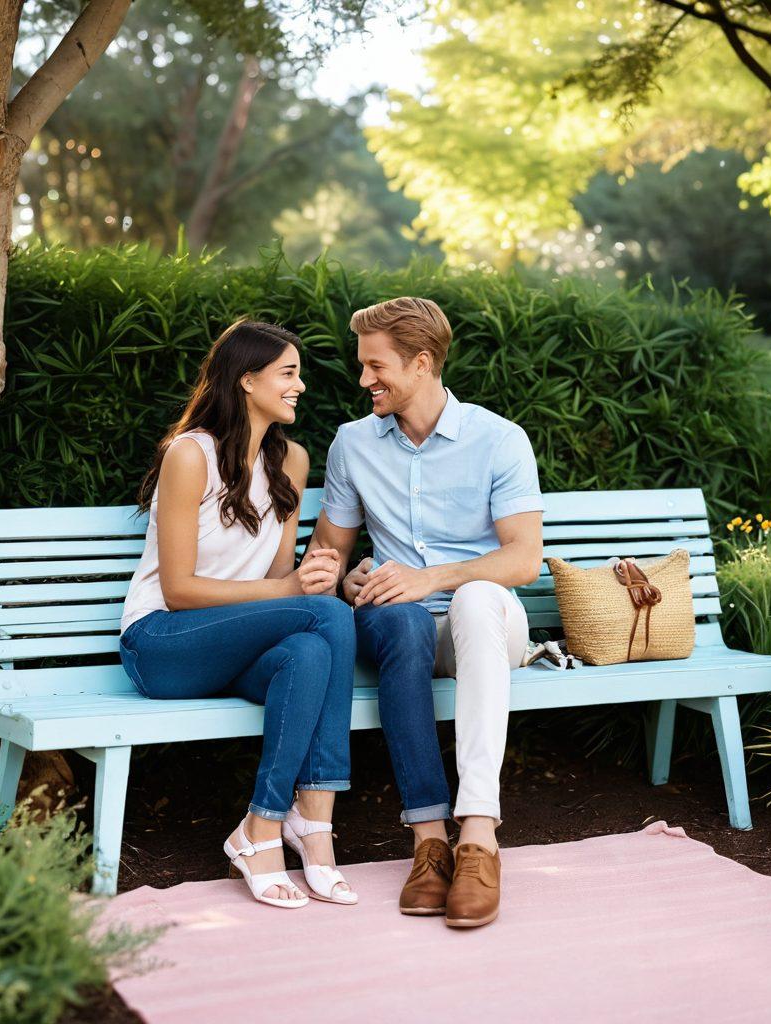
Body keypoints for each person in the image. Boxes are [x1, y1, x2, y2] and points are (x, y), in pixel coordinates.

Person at [306, 297, 544, 928]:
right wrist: (343, 578)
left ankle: (479, 837)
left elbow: (522, 561)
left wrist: (432, 577)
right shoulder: (352, 445)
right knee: (404, 620)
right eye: (362, 367)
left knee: (474, 597)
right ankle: (430, 843)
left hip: (487, 625)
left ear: (421, 362)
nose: (363, 381)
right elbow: (326, 553)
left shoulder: (498, 439)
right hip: (397, 626)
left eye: (375, 366)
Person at [119, 320, 358, 910]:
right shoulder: (190, 455)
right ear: (247, 380)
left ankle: (265, 824)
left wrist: (307, 581)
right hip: (163, 644)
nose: (300, 385)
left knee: (309, 647)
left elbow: (275, 581)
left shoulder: (292, 461)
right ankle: (314, 825)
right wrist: (298, 592)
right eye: (288, 373)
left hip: (234, 649)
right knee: (326, 618)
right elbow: (177, 590)